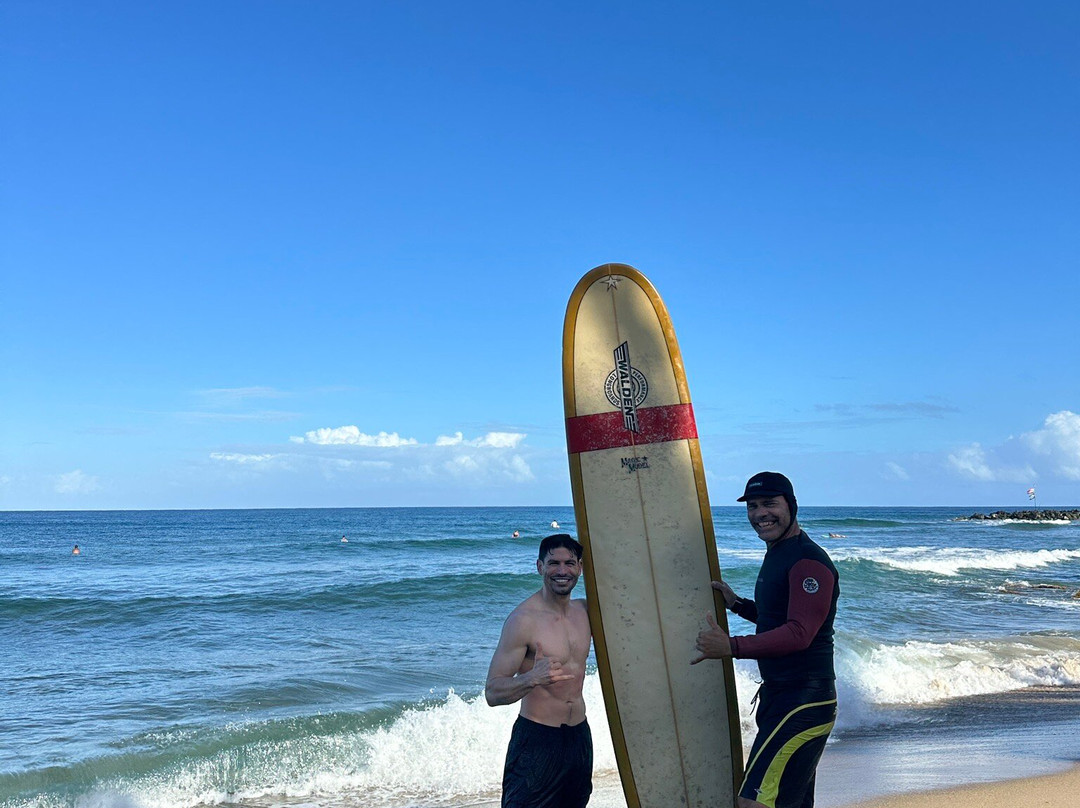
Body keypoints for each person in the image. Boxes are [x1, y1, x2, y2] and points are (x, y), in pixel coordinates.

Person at [692, 472, 839, 808]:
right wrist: (738, 605)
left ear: (792, 505)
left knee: (753, 802)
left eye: (770, 503)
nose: (760, 513)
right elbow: (779, 617)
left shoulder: (808, 561)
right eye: (753, 506)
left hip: (804, 701)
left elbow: (800, 633)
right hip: (784, 697)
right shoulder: (780, 552)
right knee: (790, 801)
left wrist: (731, 647)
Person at [486, 534, 593, 808]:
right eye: (553, 563)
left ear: (580, 567)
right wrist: (532, 678)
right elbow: (493, 692)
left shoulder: (587, 612)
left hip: (579, 737)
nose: (562, 571)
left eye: (569, 563)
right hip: (537, 740)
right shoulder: (523, 621)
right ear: (539, 567)